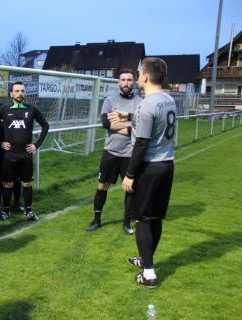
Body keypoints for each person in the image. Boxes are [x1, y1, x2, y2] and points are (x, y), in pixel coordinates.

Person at [121, 57, 176, 288]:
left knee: (141, 218)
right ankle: (146, 260)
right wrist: (130, 118)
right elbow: (155, 124)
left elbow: (141, 143)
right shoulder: (169, 99)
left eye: (138, 73)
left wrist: (130, 174)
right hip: (167, 164)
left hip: (150, 167)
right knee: (155, 217)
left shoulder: (146, 104)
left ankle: (149, 273)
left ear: (144, 76)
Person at [86, 68, 142, 235]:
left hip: (130, 153)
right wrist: (130, 124)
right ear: (118, 82)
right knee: (102, 186)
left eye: (129, 80)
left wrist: (123, 121)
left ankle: (126, 223)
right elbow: (106, 123)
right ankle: (97, 220)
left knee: (130, 188)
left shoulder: (140, 102)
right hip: (110, 151)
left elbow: (141, 128)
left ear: (134, 82)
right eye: (123, 80)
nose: (126, 83)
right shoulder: (110, 100)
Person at [0, 81, 50, 221]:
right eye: (17, 91)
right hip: (10, 155)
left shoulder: (32, 109)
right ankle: (6, 210)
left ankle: (29, 211)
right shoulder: (5, 109)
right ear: (11, 93)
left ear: (25, 92)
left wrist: (36, 144)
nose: (20, 93)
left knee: (27, 183)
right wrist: (0, 144)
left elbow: (45, 126)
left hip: (26, 155)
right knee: (8, 184)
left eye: (22, 91)